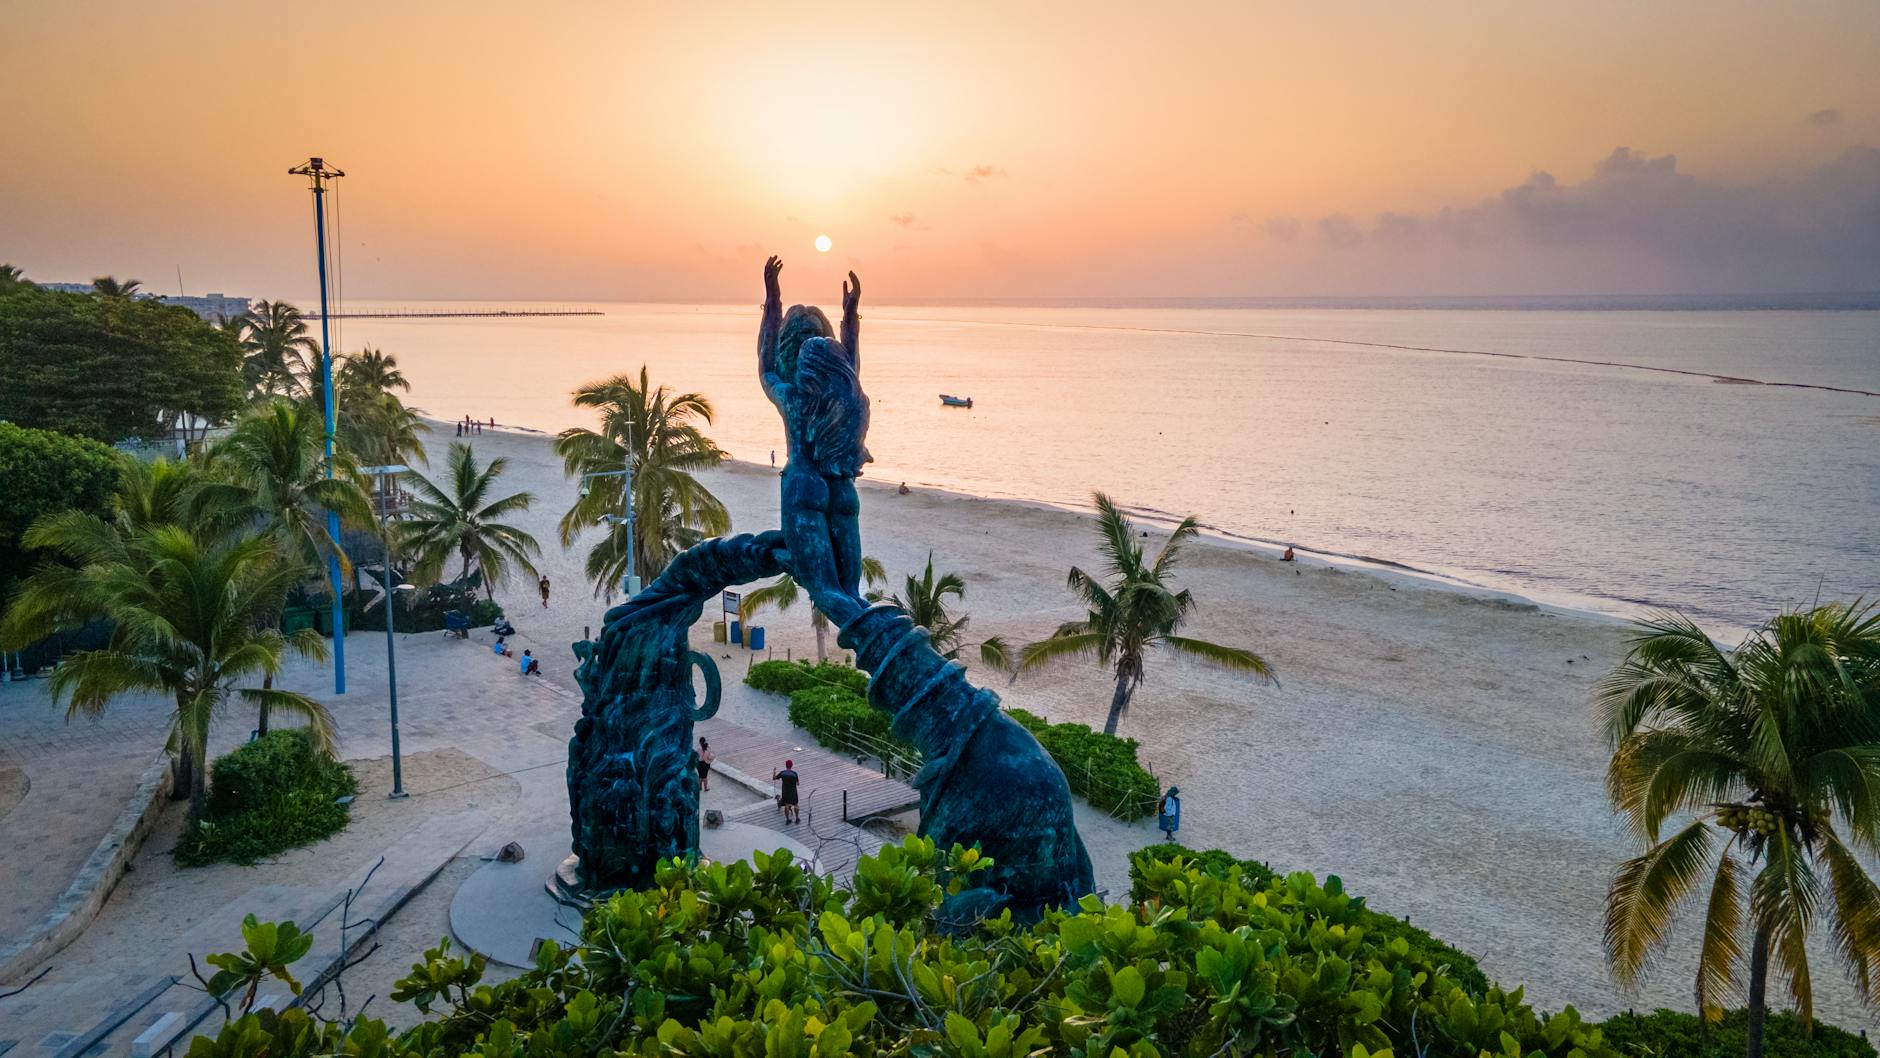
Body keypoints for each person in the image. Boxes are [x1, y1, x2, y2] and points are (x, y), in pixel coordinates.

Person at [772, 759, 800, 824]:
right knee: (796, 805)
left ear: (786, 765)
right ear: (791, 765)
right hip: (793, 792)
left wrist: (774, 771)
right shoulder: (794, 774)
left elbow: (774, 778)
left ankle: (788, 819)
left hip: (785, 792)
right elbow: (798, 784)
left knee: (786, 805)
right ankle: (797, 818)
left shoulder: (782, 773)